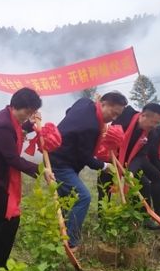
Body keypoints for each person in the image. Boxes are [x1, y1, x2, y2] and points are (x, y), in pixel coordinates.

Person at [0, 88, 55, 269]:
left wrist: (29, 125)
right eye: (27, 111)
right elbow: (12, 159)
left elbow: (17, 130)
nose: (28, 115)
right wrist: (41, 170)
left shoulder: (9, 117)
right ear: (16, 106)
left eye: (32, 112)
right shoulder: (4, 124)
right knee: (9, 219)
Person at [49, 91, 128, 250]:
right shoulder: (90, 127)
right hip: (60, 162)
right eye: (113, 113)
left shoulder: (84, 102)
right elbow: (86, 157)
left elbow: (69, 112)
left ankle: (60, 232)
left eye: (117, 115)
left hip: (65, 156)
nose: (114, 118)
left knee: (67, 198)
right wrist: (106, 166)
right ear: (104, 104)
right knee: (83, 197)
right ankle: (71, 242)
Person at [106, 103, 160, 228]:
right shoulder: (125, 117)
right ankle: (104, 220)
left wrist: (131, 171)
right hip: (111, 156)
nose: (155, 126)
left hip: (133, 159)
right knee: (105, 186)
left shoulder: (150, 133)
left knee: (145, 184)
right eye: (153, 122)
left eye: (157, 123)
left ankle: (145, 217)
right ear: (143, 115)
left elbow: (141, 154)